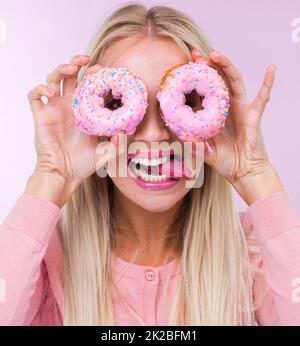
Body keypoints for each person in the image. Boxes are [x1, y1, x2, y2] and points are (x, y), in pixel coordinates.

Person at [0, 3, 300, 326]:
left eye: (186, 100)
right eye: (117, 104)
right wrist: (50, 175)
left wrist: (256, 174)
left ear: (213, 118)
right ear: (91, 121)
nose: (155, 135)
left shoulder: (253, 254)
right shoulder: (43, 260)